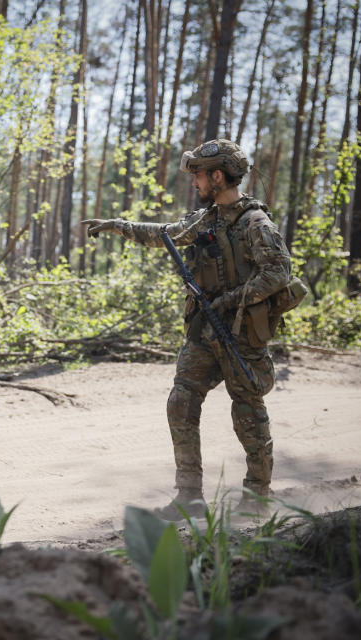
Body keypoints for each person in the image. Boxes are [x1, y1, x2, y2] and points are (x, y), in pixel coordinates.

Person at [82, 139, 292, 520]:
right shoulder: (207, 219)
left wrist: (232, 300)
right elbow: (168, 233)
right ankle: (190, 496)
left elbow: (279, 273)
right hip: (205, 331)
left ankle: (258, 497)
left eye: (198, 174)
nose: (194, 182)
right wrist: (119, 226)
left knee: (248, 413)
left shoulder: (255, 223)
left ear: (217, 175)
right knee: (181, 401)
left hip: (241, 334)